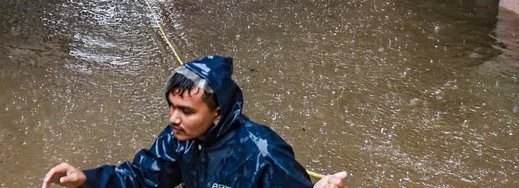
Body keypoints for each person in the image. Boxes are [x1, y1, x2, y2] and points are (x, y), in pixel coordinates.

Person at [42, 55, 348, 188]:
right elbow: (140, 178)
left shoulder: (264, 154)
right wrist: (86, 179)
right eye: (172, 107)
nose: (173, 119)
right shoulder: (180, 139)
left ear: (217, 113)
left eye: (186, 111)